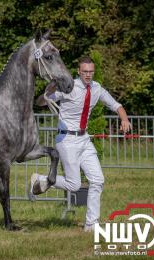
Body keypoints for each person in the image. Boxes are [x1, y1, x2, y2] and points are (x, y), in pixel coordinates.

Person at [30, 56, 132, 232]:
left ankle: (91, 224)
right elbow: (40, 103)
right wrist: (48, 91)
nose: (88, 75)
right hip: (67, 140)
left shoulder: (97, 88)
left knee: (98, 180)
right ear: (78, 71)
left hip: (84, 139)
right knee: (74, 185)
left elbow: (116, 105)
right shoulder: (68, 88)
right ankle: (40, 179)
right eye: (85, 71)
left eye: (91, 72)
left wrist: (124, 118)